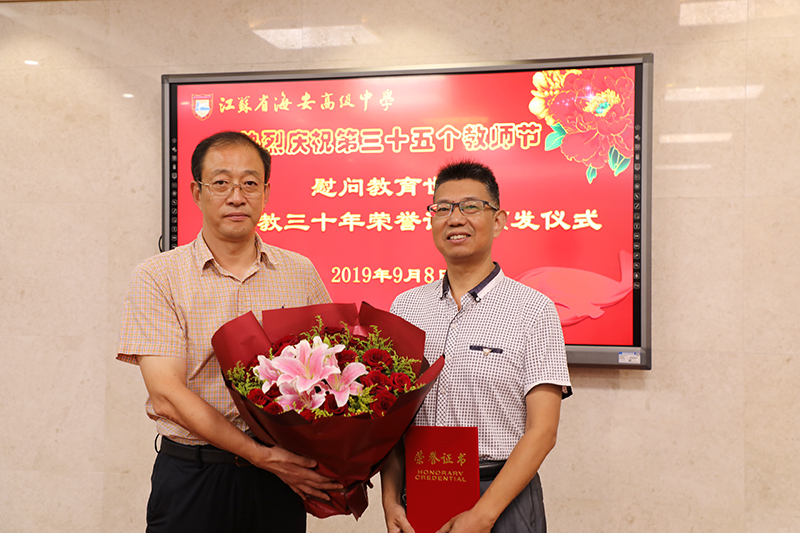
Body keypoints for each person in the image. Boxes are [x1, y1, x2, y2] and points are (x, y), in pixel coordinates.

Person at [117, 131, 340, 533]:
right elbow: (166, 395)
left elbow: (332, 367)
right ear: (196, 192)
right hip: (194, 476)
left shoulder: (300, 272)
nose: (236, 196)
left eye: (250, 183)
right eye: (221, 182)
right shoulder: (158, 276)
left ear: (266, 193)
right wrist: (258, 454)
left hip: (278, 481)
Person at [380, 159, 572, 533]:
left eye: (470, 206)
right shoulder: (405, 307)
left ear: (498, 221)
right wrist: (390, 500)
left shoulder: (534, 310)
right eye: (442, 208)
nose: (455, 219)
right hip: (419, 490)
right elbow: (392, 421)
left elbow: (543, 431)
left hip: (501, 497)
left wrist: (482, 515)